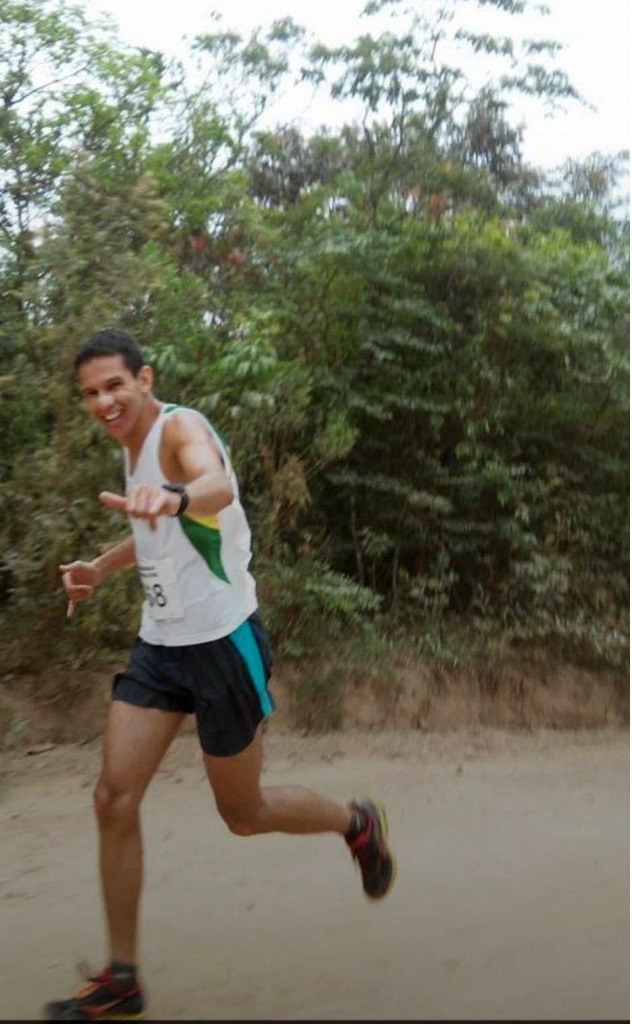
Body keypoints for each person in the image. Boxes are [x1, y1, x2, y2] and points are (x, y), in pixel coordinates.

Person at [45, 329, 394, 1022]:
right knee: (113, 797)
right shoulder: (130, 443)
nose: (103, 401)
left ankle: (354, 821)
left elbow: (215, 484)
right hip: (161, 644)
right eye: (90, 392)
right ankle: (122, 978)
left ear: (144, 378)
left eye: (114, 385)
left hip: (223, 645)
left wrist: (177, 498)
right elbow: (152, 527)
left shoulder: (179, 428)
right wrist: (99, 567)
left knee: (244, 812)